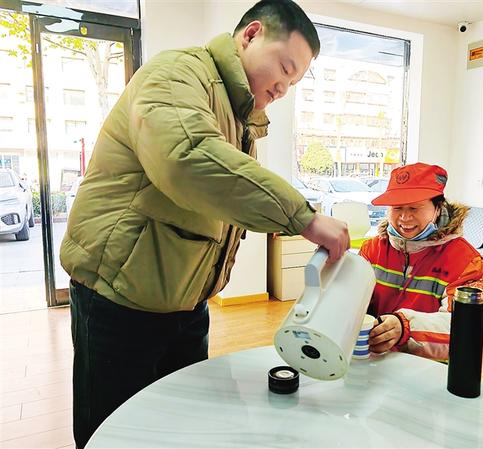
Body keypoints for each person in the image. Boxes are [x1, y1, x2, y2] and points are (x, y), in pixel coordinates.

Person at [60, 1, 350, 447]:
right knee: (115, 433)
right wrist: (303, 218)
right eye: (284, 69)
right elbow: (187, 157)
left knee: (184, 429)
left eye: (293, 82)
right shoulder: (177, 73)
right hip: (120, 302)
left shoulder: (240, 118)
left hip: (187, 304)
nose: (283, 88)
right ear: (251, 35)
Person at [359, 162, 483, 362]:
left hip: (429, 368)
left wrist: (405, 327)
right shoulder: (372, 249)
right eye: (397, 208)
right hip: (372, 362)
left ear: (438, 208)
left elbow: (463, 330)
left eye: (415, 208)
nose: (405, 217)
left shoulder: (467, 262)